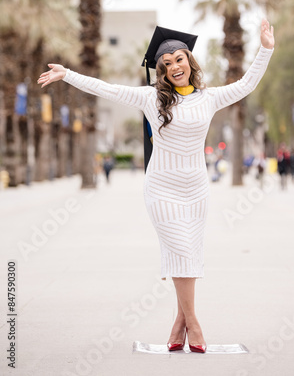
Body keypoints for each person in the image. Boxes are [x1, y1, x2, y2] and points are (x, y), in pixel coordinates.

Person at [37, 18, 275, 353]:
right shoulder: (152, 99)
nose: (174, 67)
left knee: (189, 255)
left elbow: (248, 83)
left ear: (190, 62)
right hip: (161, 189)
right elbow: (107, 88)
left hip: (196, 191)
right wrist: (69, 75)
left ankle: (178, 325)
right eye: (166, 64)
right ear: (161, 72)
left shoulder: (210, 98)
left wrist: (265, 48)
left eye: (179, 59)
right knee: (181, 250)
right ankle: (194, 324)